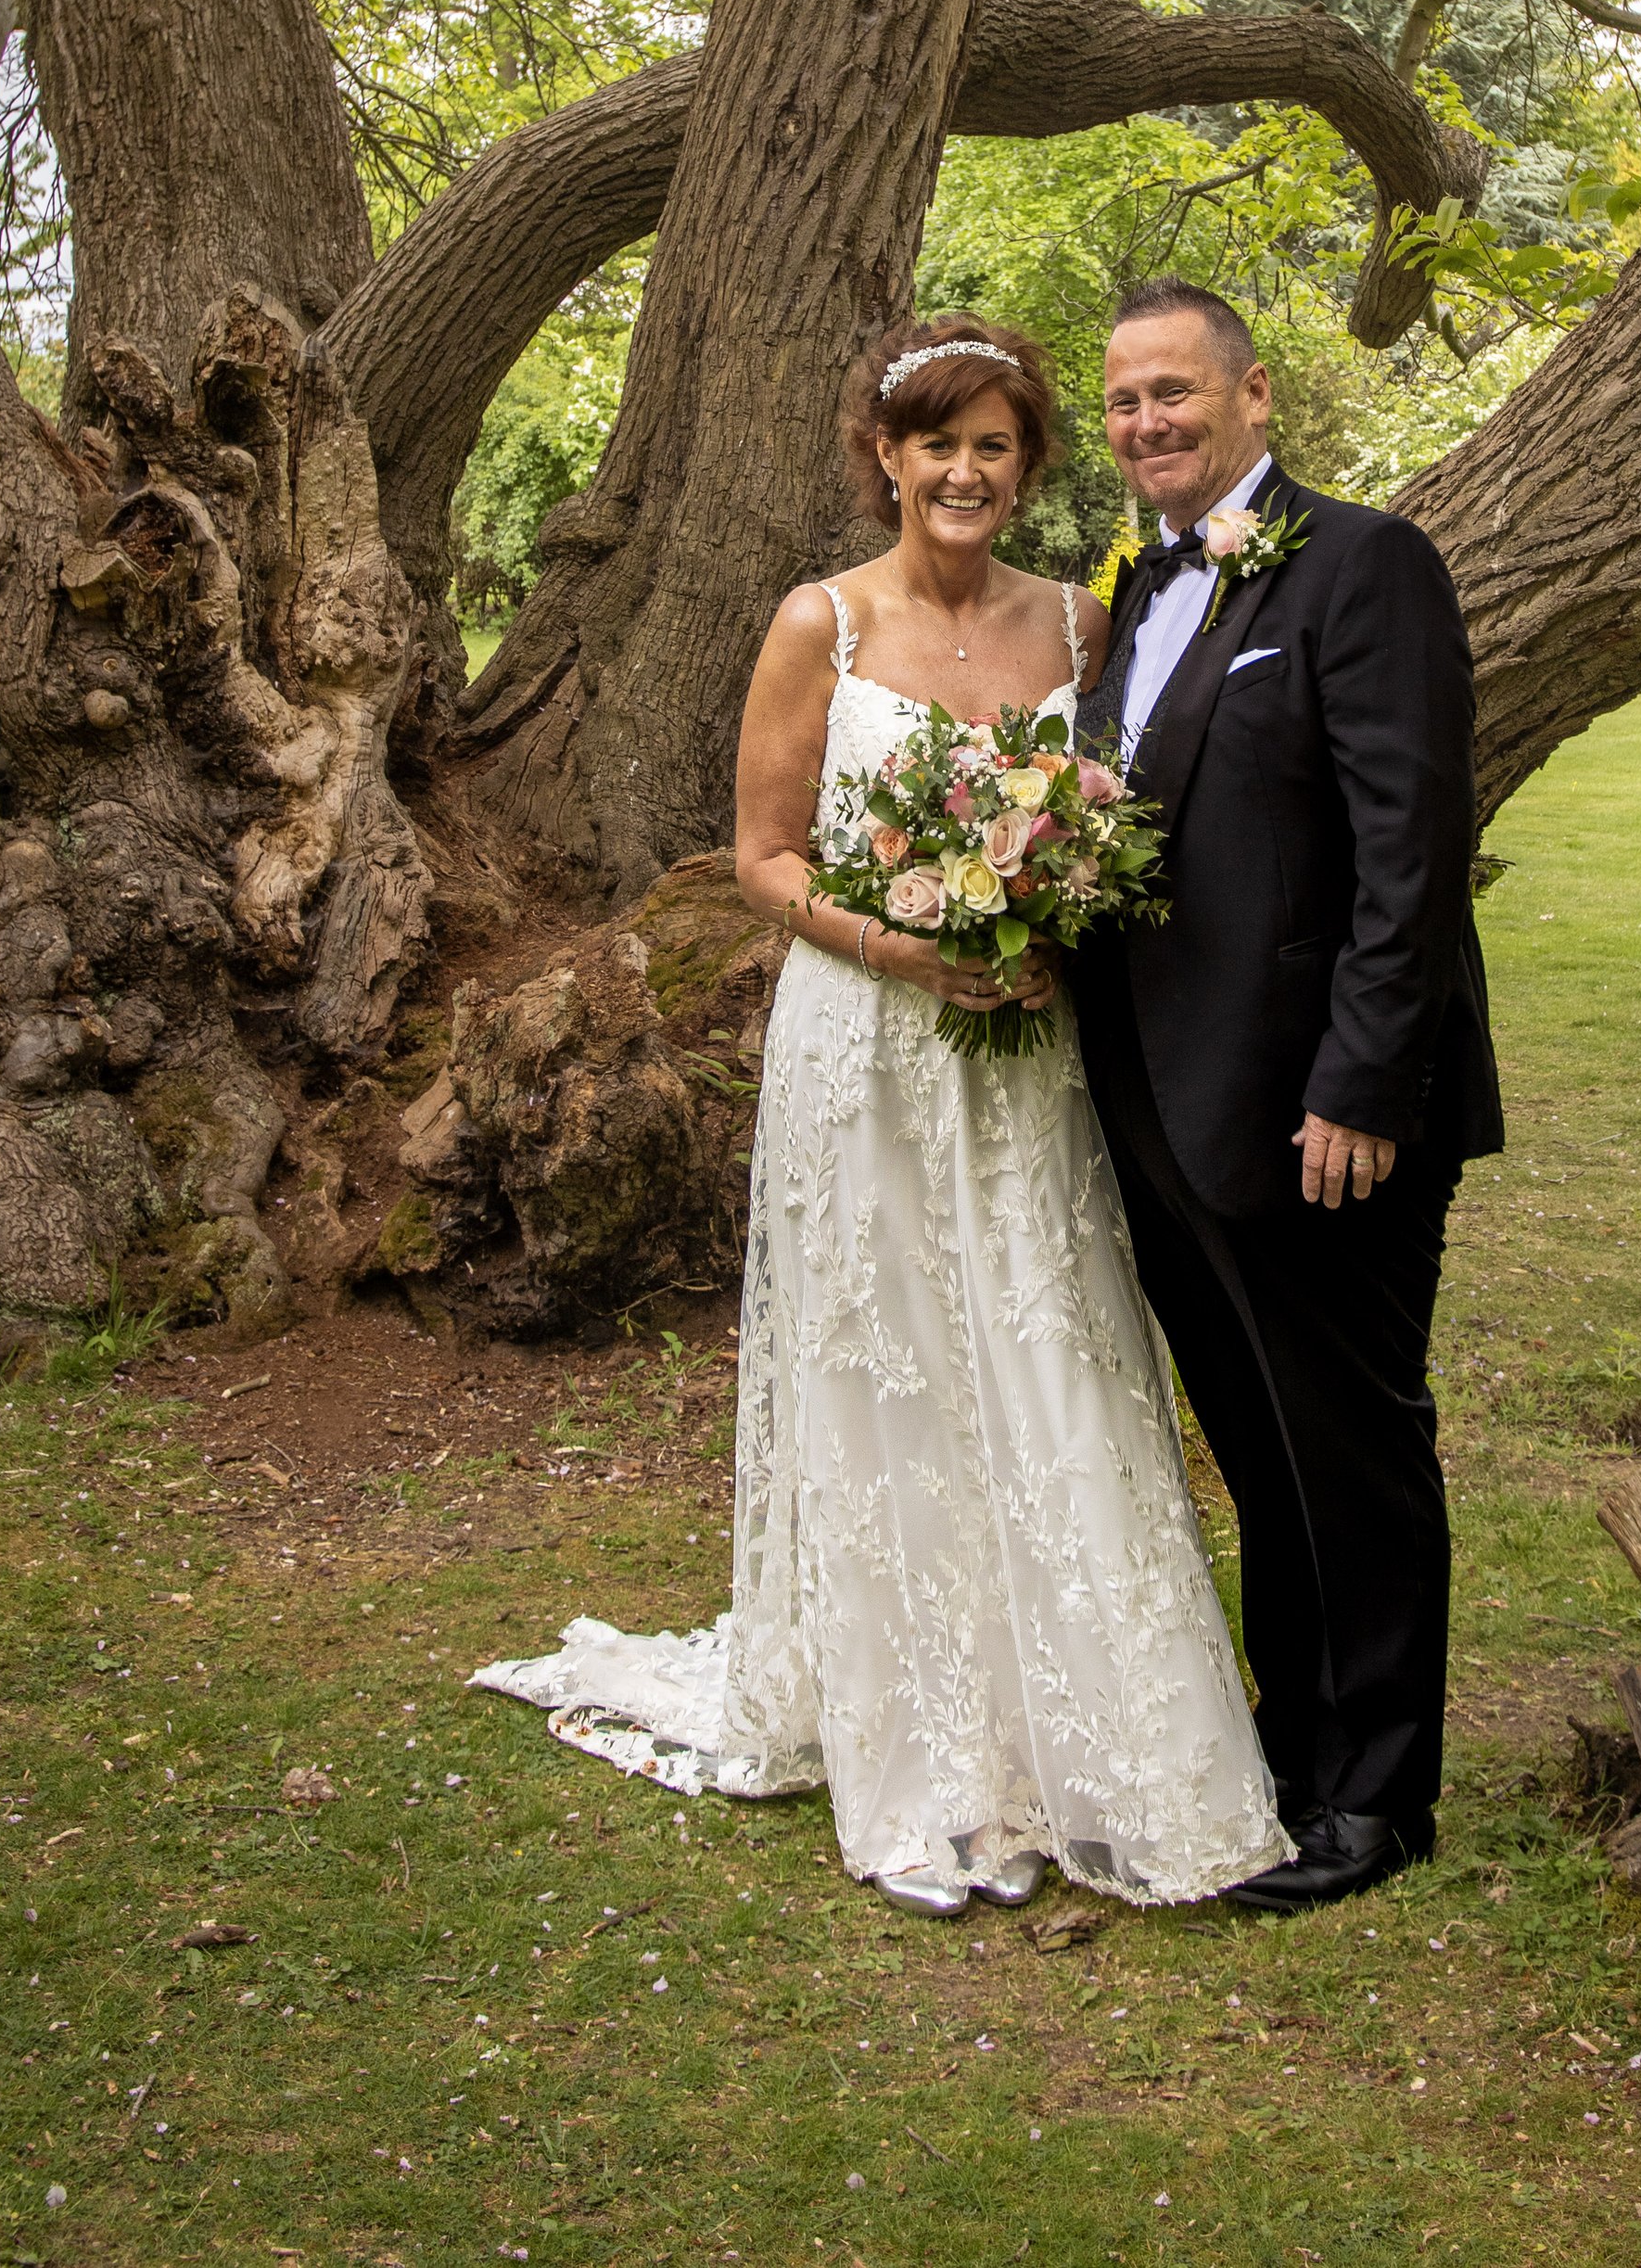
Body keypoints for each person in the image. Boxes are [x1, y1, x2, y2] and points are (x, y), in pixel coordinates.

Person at [479, 314, 1287, 1922]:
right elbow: (766, 859)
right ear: (887, 459)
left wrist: (1048, 909)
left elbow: (1116, 821)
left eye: (994, 443)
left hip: (1028, 1064)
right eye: (937, 443)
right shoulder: (817, 627)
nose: (965, 471)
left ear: (1029, 461)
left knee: (1043, 1347)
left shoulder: (1083, 618)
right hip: (862, 1047)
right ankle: (922, 1749)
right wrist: (914, 943)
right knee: (885, 1362)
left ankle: (1098, 1728)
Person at [1068, 278, 1502, 1912]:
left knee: (1353, 1444)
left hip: (1329, 1113)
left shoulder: (1365, 565)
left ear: (1255, 396)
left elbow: (1411, 855)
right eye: (1123, 402)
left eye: (1174, 392)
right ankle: (1297, 1747)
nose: (1147, 424)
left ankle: (1382, 1798)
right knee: (1258, 1444)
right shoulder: (1136, 583)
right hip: (1169, 1104)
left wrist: (1364, 1084)